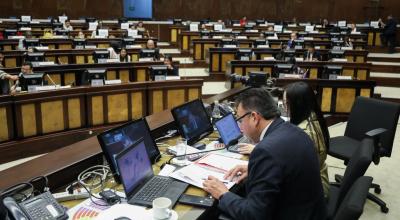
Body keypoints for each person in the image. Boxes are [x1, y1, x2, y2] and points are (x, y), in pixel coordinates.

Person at [203, 88, 326, 220]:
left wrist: (223, 194)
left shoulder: (265, 151)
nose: (240, 127)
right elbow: (286, 169)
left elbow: (254, 215)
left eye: (240, 120)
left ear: (254, 118)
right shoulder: (295, 131)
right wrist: (256, 170)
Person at [283, 82, 330, 198]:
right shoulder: (313, 116)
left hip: (312, 193)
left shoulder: (304, 133)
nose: (284, 107)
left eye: (286, 103)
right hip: (318, 181)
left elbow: (287, 167)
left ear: (296, 105)